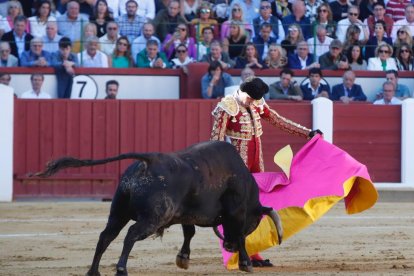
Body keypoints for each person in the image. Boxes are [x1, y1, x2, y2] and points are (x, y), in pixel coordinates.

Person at [210, 76, 320, 267]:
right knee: (237, 210)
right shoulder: (226, 107)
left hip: (256, 164)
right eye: (249, 99)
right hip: (236, 167)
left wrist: (307, 133)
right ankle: (240, 251)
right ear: (242, 91)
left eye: (255, 100)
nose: (252, 102)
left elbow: (278, 121)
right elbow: (216, 142)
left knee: (256, 208)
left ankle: (253, 252)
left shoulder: (257, 103)